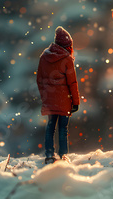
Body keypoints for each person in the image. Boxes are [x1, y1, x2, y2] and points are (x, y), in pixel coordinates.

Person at [36, 26, 80, 164]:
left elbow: (39, 80)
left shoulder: (44, 57)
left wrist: (45, 96)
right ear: (68, 45)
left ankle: (49, 154)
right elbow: (72, 83)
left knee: (50, 127)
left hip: (50, 99)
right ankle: (63, 156)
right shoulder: (67, 59)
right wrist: (76, 102)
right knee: (63, 129)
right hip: (64, 100)